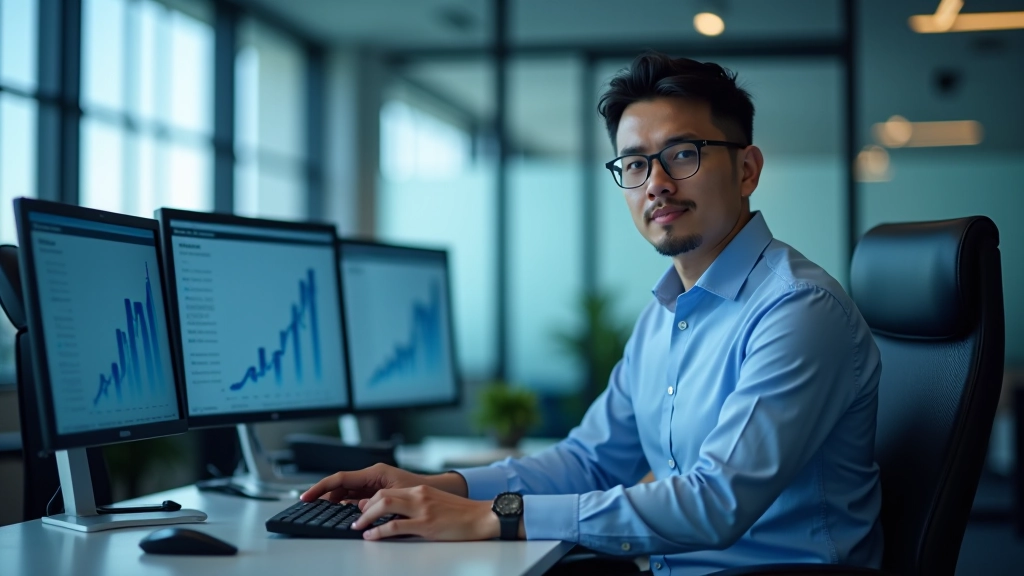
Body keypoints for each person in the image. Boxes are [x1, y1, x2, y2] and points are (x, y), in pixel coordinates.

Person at [301, 51, 883, 574]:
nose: (654, 184)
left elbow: (715, 503)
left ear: (748, 169)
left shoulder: (797, 310)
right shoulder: (665, 314)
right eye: (633, 165)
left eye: (683, 154)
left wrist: (496, 516)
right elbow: (590, 461)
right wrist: (442, 486)